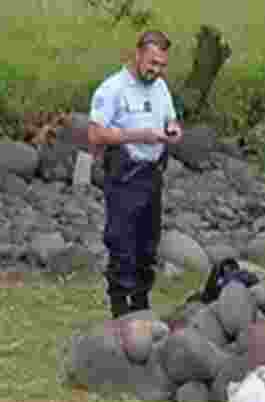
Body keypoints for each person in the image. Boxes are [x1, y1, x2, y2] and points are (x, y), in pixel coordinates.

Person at [87, 29, 183, 318]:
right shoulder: (112, 89)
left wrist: (174, 130)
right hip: (124, 175)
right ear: (138, 54)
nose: (156, 71)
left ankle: (141, 305)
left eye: (162, 65)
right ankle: (119, 309)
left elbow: (171, 119)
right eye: (152, 63)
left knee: (148, 245)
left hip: (153, 175)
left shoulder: (160, 87)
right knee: (121, 243)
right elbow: (94, 134)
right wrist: (137, 135)